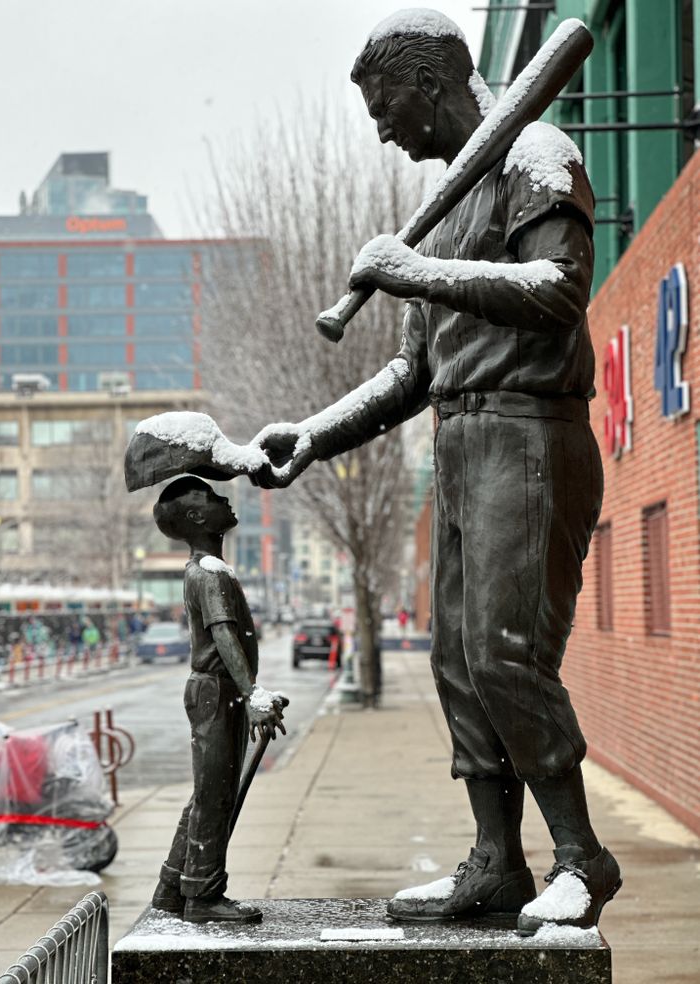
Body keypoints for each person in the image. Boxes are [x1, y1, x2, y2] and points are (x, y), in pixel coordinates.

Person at [252, 9, 620, 935]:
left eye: (387, 104)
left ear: (431, 81)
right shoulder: (452, 200)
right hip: (461, 441)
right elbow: (411, 375)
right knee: (457, 665)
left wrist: (414, 273)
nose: (382, 126)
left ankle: (582, 858)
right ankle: (498, 863)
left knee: (505, 655)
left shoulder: (537, 152)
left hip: (531, 435)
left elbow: (558, 290)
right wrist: (314, 433)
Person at [149, 476, 287, 924]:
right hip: (217, 690)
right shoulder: (209, 572)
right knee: (214, 799)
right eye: (209, 497)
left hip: (218, 690)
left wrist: (251, 692)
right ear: (195, 518)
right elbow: (224, 635)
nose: (223, 498)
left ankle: (174, 886)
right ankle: (204, 897)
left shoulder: (210, 569)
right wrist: (252, 694)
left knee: (207, 794)